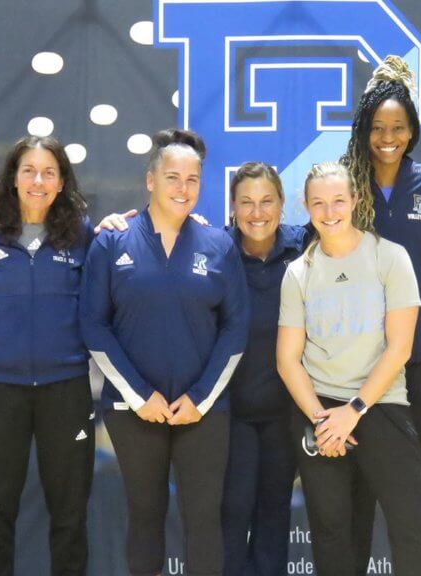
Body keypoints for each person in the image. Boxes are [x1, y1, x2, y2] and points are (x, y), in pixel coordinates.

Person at [80, 129, 250, 576]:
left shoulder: (218, 245)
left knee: (203, 520)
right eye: (172, 177)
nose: (183, 188)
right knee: (145, 515)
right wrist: (139, 395)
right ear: (150, 180)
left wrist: (201, 398)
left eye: (193, 179)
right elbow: (93, 325)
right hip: (132, 410)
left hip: (204, 412)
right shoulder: (112, 241)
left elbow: (236, 327)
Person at [277, 162, 421, 576]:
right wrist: (322, 421)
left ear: (356, 201)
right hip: (321, 411)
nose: (330, 212)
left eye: (339, 201)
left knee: (409, 528)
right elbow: (287, 358)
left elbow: (400, 347)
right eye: (319, 203)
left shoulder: (390, 257)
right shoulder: (298, 273)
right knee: (332, 535)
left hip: (380, 404)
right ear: (305, 207)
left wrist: (355, 409)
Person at [0, 135, 94, 575]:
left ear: (61, 182)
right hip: (0, 393)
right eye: (29, 171)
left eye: (49, 172)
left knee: (70, 516)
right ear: (13, 179)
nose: (38, 181)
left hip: (66, 392)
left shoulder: (85, 237)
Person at [341, 55, 421, 572]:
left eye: (398, 128)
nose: (388, 137)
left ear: (412, 132)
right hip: (359, 359)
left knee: (418, 480)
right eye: (379, 127)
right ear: (364, 129)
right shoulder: (345, 185)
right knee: (359, 481)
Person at [219, 163, 305, 576]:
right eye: (247, 202)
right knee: (232, 515)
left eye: (267, 201)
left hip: (284, 412)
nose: (258, 212)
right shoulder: (216, 251)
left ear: (282, 205)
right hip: (230, 411)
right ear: (232, 208)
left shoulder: (306, 246)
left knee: (274, 515)